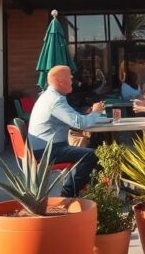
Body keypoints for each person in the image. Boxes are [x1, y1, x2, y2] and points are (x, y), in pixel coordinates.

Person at [27, 65, 104, 197]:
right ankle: (68, 194)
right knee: (92, 155)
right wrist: (96, 112)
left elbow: (74, 118)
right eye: (70, 76)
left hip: (44, 148)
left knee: (89, 150)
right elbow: (79, 124)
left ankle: (84, 191)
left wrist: (88, 114)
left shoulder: (50, 96)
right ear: (60, 81)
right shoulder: (55, 100)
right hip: (48, 151)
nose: (73, 79)